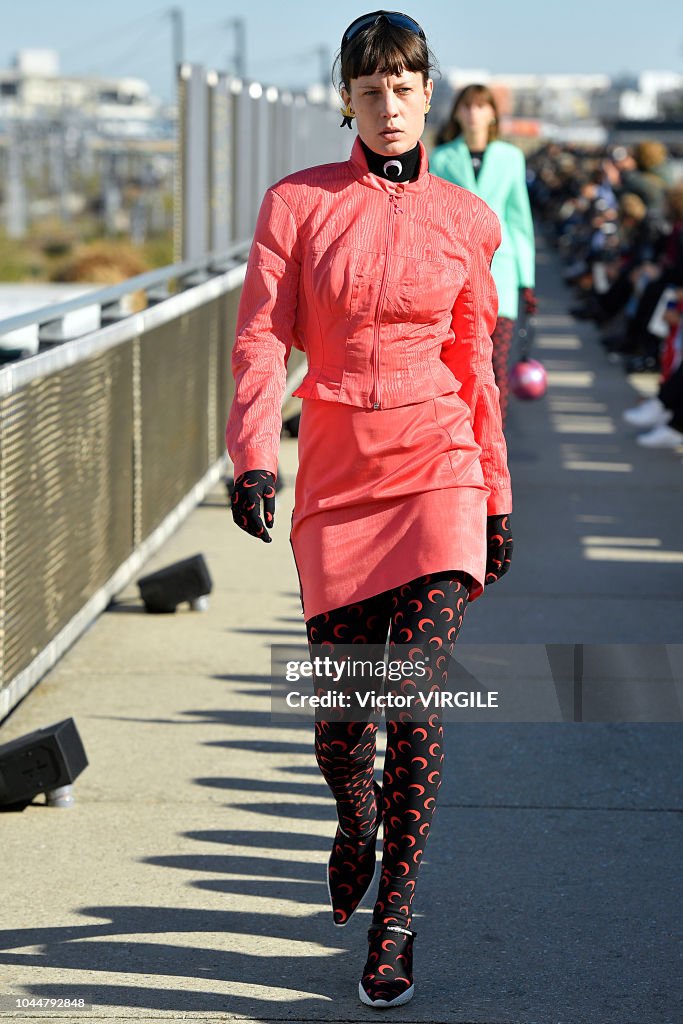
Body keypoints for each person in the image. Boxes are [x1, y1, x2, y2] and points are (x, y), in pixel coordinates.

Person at [225, 10, 514, 1009]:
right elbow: (262, 336)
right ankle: (354, 816)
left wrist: (498, 495)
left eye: (404, 85)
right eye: (369, 87)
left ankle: (395, 918)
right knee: (342, 726)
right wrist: (254, 455)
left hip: (440, 470)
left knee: (414, 694)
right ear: (343, 99)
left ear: (428, 92)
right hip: (338, 485)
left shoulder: (466, 220)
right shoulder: (295, 206)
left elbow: (472, 362)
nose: (388, 105)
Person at [430, 84, 537, 427]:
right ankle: (461, 431)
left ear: (492, 114)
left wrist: (527, 281)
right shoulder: (442, 156)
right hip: (454, 270)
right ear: (457, 113)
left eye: (481, 107)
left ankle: (493, 436)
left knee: (496, 363)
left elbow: (520, 220)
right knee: (458, 358)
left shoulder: (511, 157)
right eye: (467, 107)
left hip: (501, 272)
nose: (474, 113)